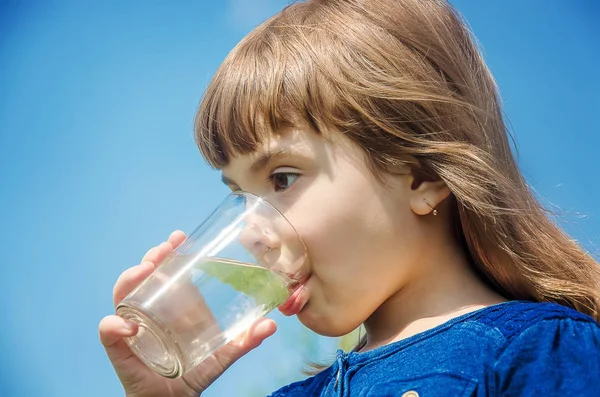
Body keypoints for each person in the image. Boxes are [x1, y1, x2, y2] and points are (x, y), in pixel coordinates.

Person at [99, 0, 600, 395]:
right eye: (238, 195)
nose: (250, 232)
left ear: (421, 176)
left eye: (282, 179)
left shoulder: (537, 350)